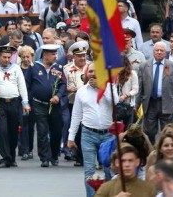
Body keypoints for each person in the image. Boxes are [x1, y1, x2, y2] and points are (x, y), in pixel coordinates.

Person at [67, 62, 118, 197]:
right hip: (88, 134)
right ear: (86, 74)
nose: (93, 74)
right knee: (89, 171)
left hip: (107, 135)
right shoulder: (81, 91)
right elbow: (76, 115)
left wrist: (102, 87)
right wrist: (71, 138)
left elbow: (115, 102)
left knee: (109, 170)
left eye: (96, 71)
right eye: (90, 71)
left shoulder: (109, 87)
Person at [0, 45, 30, 168]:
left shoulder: (16, 68)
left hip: (14, 103)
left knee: (13, 131)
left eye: (8, 57)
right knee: (2, 131)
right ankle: (5, 158)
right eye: (4, 57)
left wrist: (25, 103)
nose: (6, 59)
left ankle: (12, 157)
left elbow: (22, 86)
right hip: (0, 103)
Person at [25, 44, 66, 167]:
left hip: (55, 105)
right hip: (39, 104)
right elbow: (27, 85)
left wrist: (58, 96)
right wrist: (27, 101)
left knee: (56, 131)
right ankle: (44, 158)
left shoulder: (58, 67)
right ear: (45, 54)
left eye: (55, 54)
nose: (55, 56)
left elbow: (63, 84)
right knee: (42, 131)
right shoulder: (33, 67)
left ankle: (54, 155)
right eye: (52, 54)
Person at [136, 41, 173, 144]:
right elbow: (140, 88)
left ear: (165, 52)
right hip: (150, 103)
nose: (158, 52)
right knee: (149, 132)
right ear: (153, 51)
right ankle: (151, 152)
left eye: (161, 50)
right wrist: (136, 104)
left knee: (167, 132)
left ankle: (164, 152)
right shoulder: (144, 66)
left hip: (167, 103)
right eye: (156, 50)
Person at [115, 55, 139, 128]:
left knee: (128, 128)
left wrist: (126, 95)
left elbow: (135, 89)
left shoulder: (132, 74)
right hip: (117, 104)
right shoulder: (116, 74)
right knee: (116, 128)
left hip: (128, 105)